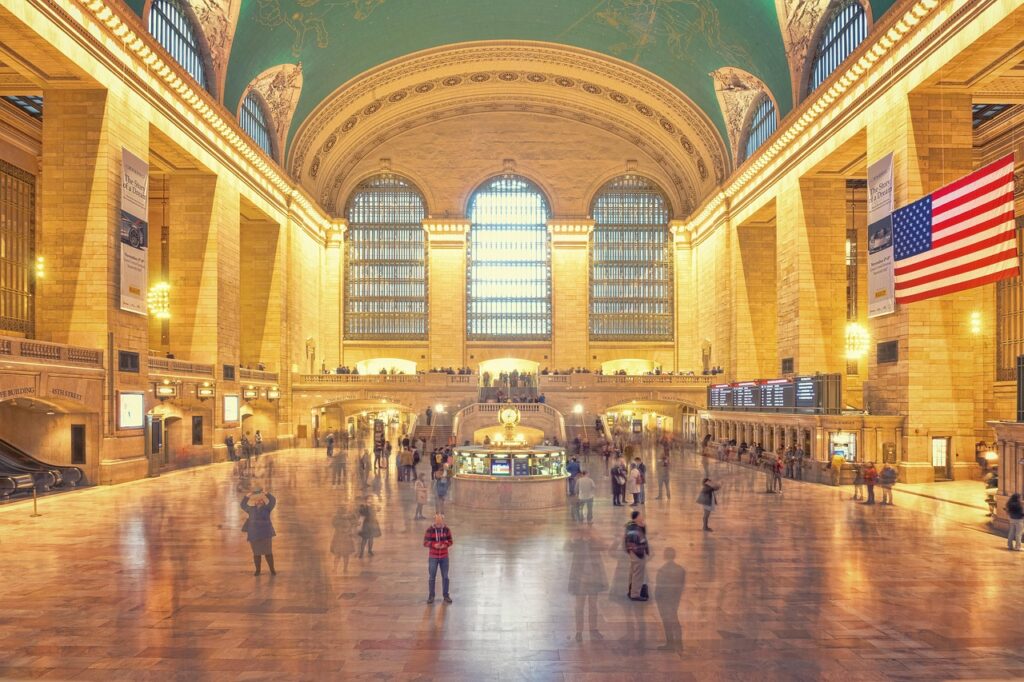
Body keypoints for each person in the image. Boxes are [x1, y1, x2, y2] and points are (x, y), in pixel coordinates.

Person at [240, 488, 277, 576]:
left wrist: (266, 493)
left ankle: (272, 570)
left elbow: (273, 500)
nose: (259, 501)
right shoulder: (250, 509)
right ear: (254, 503)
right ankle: (258, 570)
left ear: (264, 502)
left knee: (268, 553)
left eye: (261, 500)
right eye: (257, 500)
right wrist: (249, 494)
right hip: (254, 535)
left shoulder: (267, 508)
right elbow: (242, 504)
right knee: (256, 554)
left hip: (266, 534)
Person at [423, 513, 453, 604]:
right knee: (432, 577)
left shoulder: (447, 530)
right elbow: (425, 542)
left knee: (445, 577)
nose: (439, 523)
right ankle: (431, 595)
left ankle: (446, 595)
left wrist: (445, 545)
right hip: (433, 557)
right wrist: (434, 545)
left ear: (442, 521)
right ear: (435, 521)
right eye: (437, 521)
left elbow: (451, 541)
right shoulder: (430, 530)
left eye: (440, 521)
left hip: (444, 557)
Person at [623, 510, 650, 601]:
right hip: (637, 553)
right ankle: (635, 594)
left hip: (634, 553)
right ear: (637, 518)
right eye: (640, 516)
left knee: (634, 572)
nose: (642, 517)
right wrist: (640, 553)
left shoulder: (633, 526)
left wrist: (643, 526)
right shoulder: (633, 529)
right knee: (638, 574)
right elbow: (638, 541)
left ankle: (632, 590)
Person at [329, 508, 355, 573]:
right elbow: (353, 524)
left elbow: (334, 524)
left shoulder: (337, 519)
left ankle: (335, 569)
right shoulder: (348, 518)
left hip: (339, 538)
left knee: (338, 555)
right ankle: (344, 569)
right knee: (345, 555)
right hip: (345, 538)